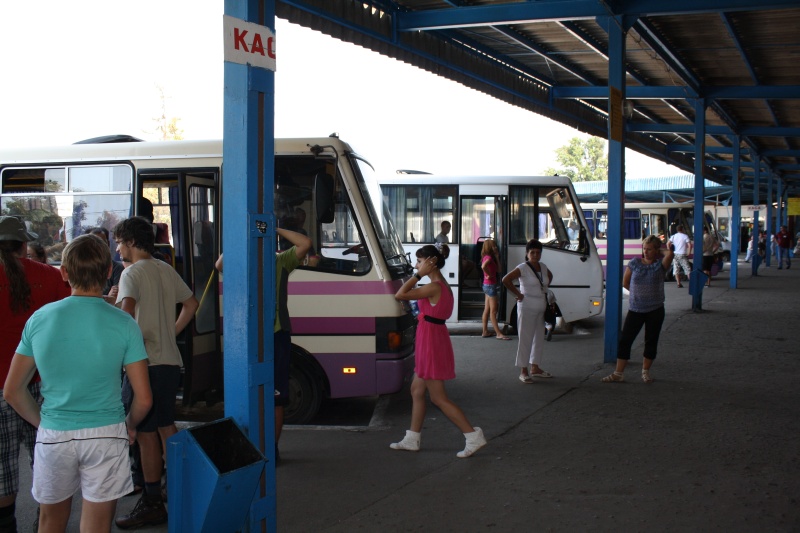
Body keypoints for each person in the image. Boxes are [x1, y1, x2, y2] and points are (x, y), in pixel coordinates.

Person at [3, 235, 152, 533]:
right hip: (106, 433)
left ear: (63, 272)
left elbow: (12, 390)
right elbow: (144, 398)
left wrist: (44, 422)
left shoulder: (40, 319)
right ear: (108, 272)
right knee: (97, 524)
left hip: (55, 433)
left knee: (50, 521)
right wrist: (130, 424)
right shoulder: (124, 323)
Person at [112, 217, 199, 529]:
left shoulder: (131, 273)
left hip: (144, 363)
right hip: (169, 361)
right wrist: (169, 332)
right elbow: (191, 304)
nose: (118, 249)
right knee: (166, 426)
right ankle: (176, 488)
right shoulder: (164, 268)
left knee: (146, 435)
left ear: (131, 242)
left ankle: (151, 503)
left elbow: (125, 314)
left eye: (119, 242)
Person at [0, 216, 70, 533]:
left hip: (2, 385)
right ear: (24, 245)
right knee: (46, 457)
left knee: (2, 468)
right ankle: (46, 521)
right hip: (44, 384)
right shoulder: (49, 276)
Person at [390, 244, 486, 458]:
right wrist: (420, 274)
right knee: (417, 391)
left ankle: (472, 435)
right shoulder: (440, 284)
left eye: (419, 261)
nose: (417, 265)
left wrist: (417, 275)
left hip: (431, 341)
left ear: (430, 263)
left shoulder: (434, 286)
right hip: (431, 338)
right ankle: (412, 438)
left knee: (438, 398)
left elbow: (400, 294)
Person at [602, 235, 674, 384]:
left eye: (649, 249)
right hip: (636, 309)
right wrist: (637, 294)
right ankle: (618, 373)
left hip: (655, 310)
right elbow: (625, 282)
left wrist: (660, 249)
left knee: (651, 341)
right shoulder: (634, 263)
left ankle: (645, 372)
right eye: (644, 248)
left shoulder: (659, 266)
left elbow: (670, 254)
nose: (645, 252)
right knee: (625, 340)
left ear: (656, 251)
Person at [503, 239, 554, 383]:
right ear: (527, 253)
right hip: (526, 307)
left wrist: (544, 289)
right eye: (532, 252)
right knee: (525, 338)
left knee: (538, 338)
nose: (535, 255)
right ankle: (523, 370)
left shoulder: (543, 267)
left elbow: (549, 277)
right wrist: (518, 294)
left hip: (541, 307)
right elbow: (506, 280)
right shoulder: (523, 267)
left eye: (538, 252)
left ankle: (535, 367)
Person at [480, 239, 508, 340]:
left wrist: (497, 257)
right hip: (491, 286)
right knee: (493, 311)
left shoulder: (487, 257)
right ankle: (498, 333)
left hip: (486, 285)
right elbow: (483, 266)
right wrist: (490, 275)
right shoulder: (489, 258)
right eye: (493, 246)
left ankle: (485, 331)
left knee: (487, 310)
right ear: (489, 247)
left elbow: (499, 270)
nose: (495, 247)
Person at [87, 227, 124, 303]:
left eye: (102, 242)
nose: (98, 247)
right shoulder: (83, 268)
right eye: (93, 243)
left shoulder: (118, 268)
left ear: (108, 244)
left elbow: (118, 298)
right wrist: (107, 297)